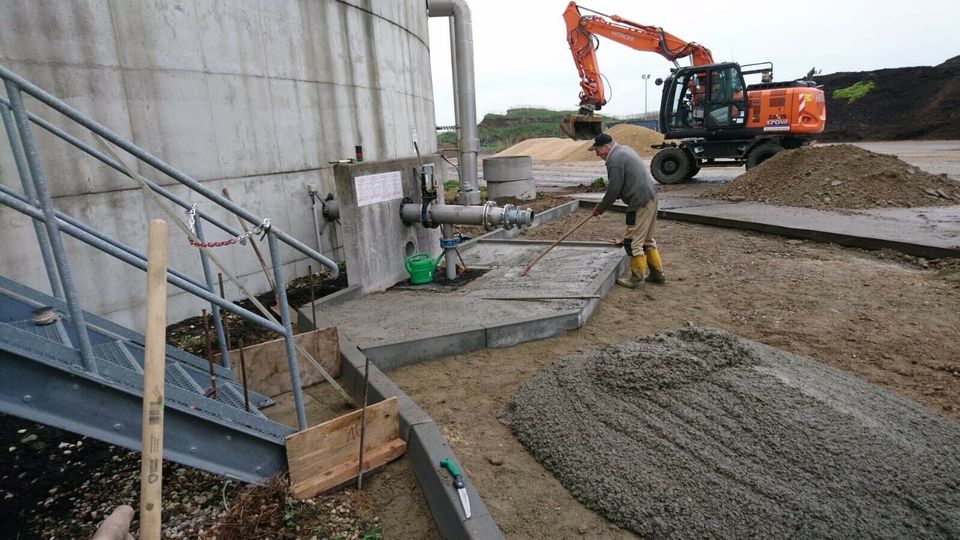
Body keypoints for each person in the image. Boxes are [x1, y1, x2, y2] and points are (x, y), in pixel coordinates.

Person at [589, 133, 665, 288]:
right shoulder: (624, 150)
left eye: (597, 150)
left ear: (606, 146)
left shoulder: (614, 160)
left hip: (639, 201)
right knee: (647, 239)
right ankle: (657, 274)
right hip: (650, 196)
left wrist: (600, 208)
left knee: (633, 241)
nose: (597, 154)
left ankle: (636, 279)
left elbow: (613, 189)